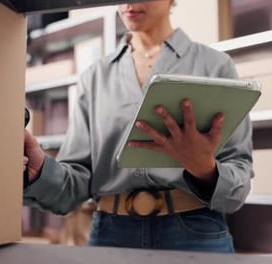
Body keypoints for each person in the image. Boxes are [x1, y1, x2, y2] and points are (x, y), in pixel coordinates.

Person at [23, 0, 253, 253]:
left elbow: (238, 180)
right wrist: (40, 172)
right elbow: (75, 184)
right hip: (110, 235)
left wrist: (206, 170)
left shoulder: (216, 65)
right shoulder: (95, 77)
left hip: (195, 233)